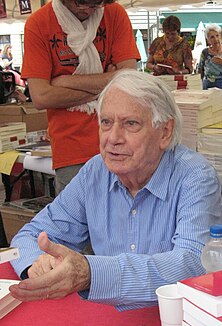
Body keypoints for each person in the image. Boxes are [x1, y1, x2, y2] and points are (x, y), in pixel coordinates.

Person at [9, 70, 222, 310]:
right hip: (112, 320)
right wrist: (38, 265)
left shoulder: (195, 176)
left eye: (130, 124)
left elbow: (193, 263)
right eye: (106, 122)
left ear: (164, 132)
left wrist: (92, 273)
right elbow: (30, 236)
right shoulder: (96, 172)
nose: (113, 138)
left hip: (181, 320)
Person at [21, 0, 140, 195]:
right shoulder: (39, 23)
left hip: (121, 142)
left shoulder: (114, 13)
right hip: (72, 151)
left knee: (126, 219)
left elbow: (129, 78)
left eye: (96, 4)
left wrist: (64, 81)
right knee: (77, 221)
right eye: (79, 3)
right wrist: (109, 82)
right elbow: (41, 96)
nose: (87, 9)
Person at [198, 23, 222, 90]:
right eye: (212, 37)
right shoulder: (205, 52)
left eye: (217, 35)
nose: (216, 39)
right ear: (208, 40)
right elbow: (200, 71)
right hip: (207, 88)